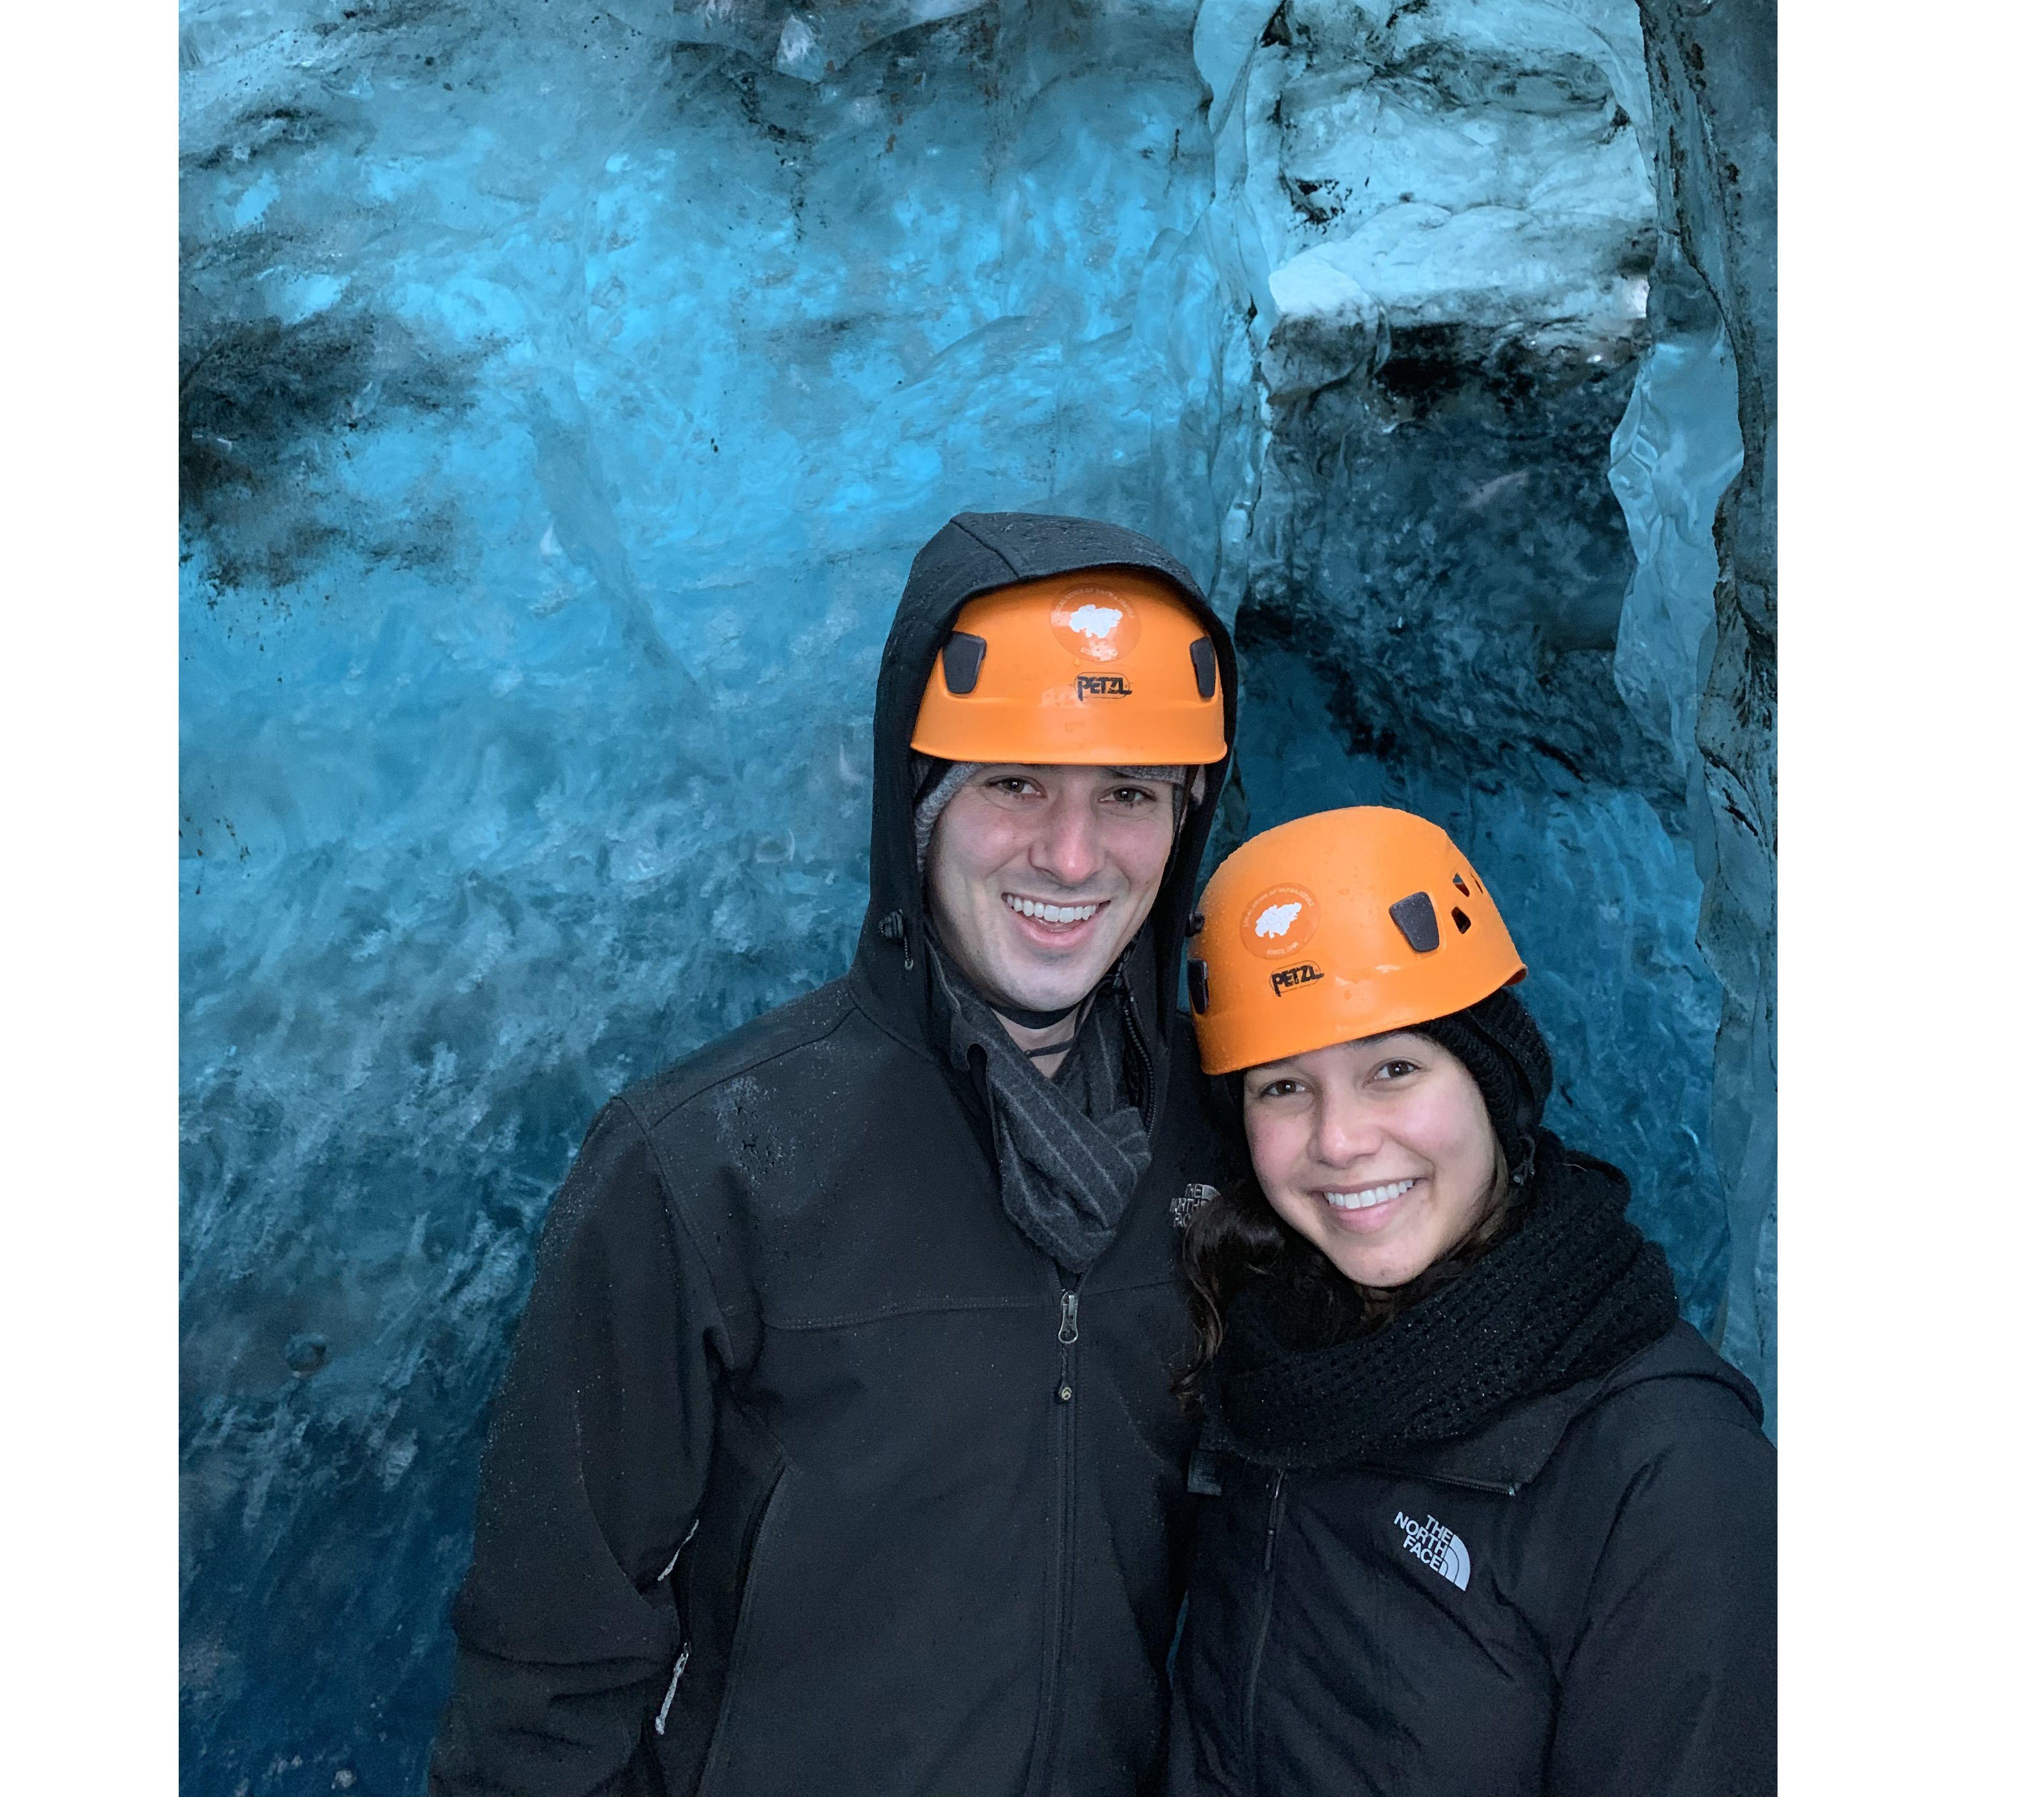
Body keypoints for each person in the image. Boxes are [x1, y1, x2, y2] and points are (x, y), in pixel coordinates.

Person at [428, 511, 1242, 1797]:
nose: (1073, 857)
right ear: (919, 805)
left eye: (1129, 793)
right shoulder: (705, 1169)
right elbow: (546, 1679)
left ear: (1186, 821)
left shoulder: (1235, 1147)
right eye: (1015, 783)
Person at [1167, 805, 1775, 1797]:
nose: (1341, 1140)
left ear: (1496, 1086)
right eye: (1282, 1087)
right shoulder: (1269, 1357)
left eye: (1393, 1069)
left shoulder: (1667, 1472)